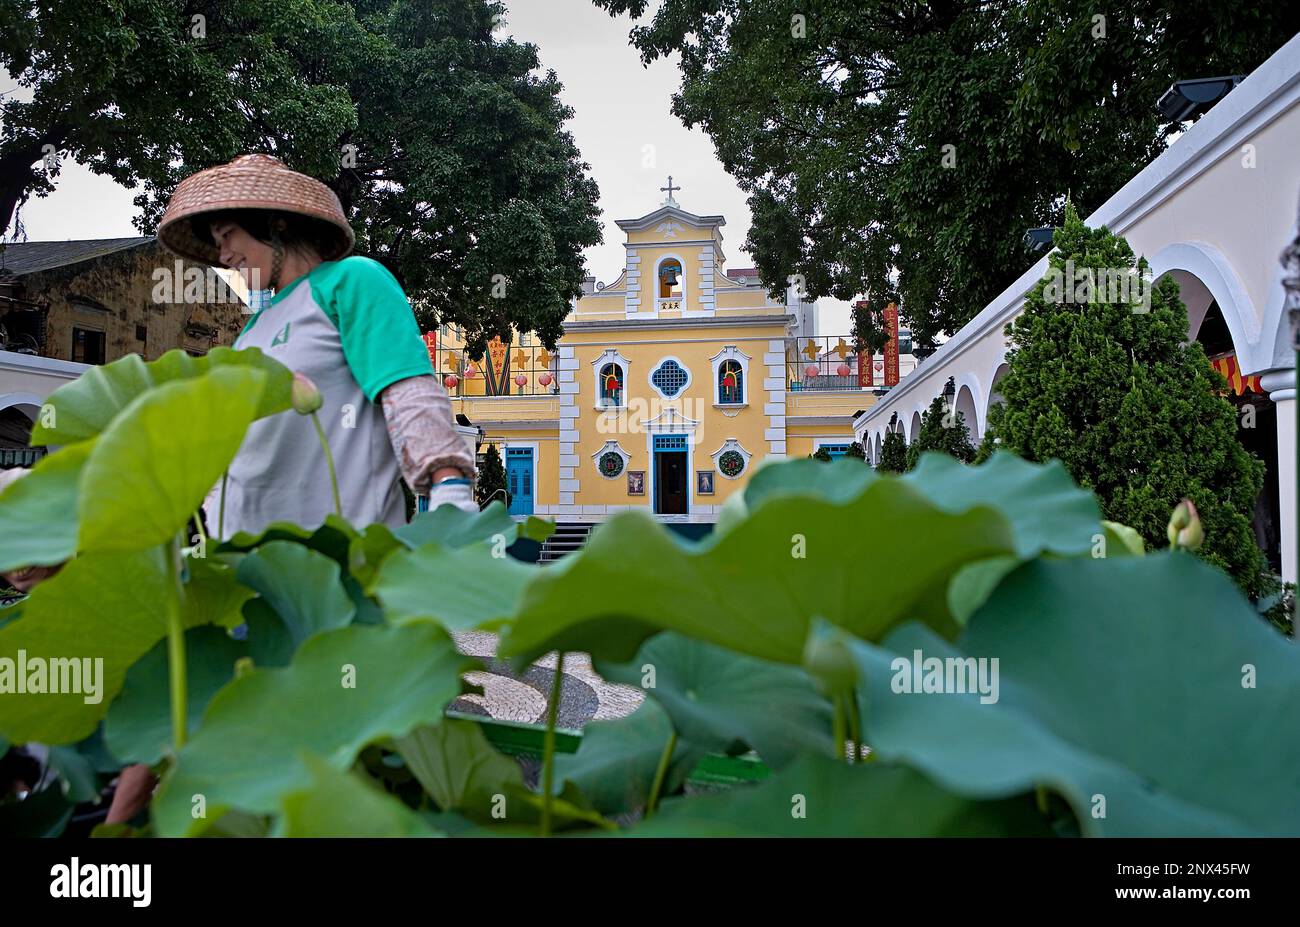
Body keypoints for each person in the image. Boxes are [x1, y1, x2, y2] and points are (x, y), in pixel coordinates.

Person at [155, 153, 477, 539]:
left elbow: (407, 392)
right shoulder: (252, 330)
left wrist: (449, 486)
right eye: (216, 243)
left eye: (227, 235)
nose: (223, 256)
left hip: (339, 557)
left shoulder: (351, 282)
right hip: (241, 560)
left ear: (276, 223)